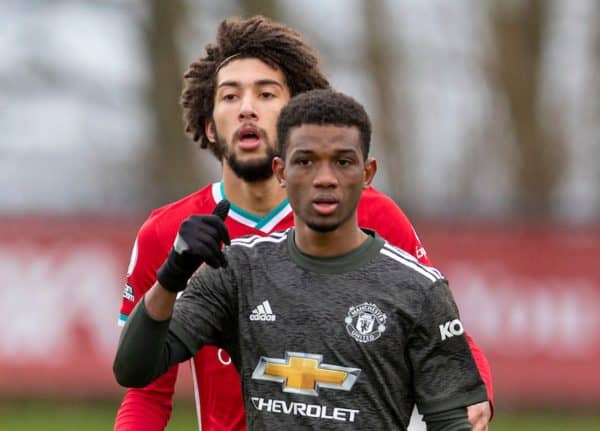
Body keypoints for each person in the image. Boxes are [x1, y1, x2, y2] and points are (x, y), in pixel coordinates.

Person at [114, 15, 493, 431]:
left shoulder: (372, 215)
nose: (247, 108)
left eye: (265, 93)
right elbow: (145, 388)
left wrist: (478, 396)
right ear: (209, 125)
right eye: (229, 96)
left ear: (296, 116)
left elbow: (436, 325)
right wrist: (172, 274)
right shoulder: (171, 234)